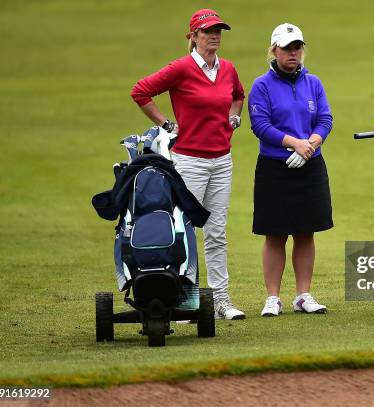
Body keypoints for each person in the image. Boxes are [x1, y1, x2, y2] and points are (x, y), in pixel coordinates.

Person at [131, 9, 246, 320]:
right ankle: (186, 301)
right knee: (184, 231)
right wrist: (166, 124)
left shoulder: (228, 69)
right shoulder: (181, 68)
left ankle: (221, 301)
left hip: (222, 160)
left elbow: (238, 95)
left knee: (217, 232)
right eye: (208, 31)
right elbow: (140, 91)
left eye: (218, 31)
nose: (214, 36)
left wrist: (234, 116)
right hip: (189, 162)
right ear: (193, 37)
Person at [248, 23, 333, 317]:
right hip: (275, 166)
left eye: (297, 47)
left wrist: (310, 144)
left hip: (309, 165)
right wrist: (294, 143)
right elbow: (261, 126)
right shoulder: (262, 86)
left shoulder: (314, 83)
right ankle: (272, 297)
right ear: (274, 51)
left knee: (306, 231)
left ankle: (303, 294)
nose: (293, 53)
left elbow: (325, 119)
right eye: (287, 48)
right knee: (275, 233)